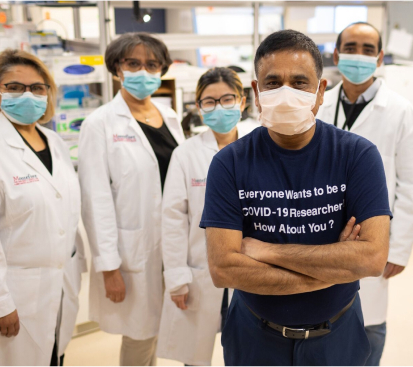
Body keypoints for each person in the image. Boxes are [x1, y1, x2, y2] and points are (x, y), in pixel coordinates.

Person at [200, 29, 392, 366]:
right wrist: (336, 267)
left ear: (320, 92)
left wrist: (267, 251)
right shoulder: (229, 163)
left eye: (300, 82)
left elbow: (371, 259)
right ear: (257, 92)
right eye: (273, 83)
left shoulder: (357, 155)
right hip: (255, 337)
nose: (286, 93)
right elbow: (224, 269)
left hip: (338, 335)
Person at [0, 49, 82, 366]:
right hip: (8, 294)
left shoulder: (55, 143)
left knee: (50, 357)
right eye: (15, 87)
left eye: (37, 87)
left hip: (54, 290)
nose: (28, 95)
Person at [316, 22, 413, 366]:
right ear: (336, 55)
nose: (358, 56)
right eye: (350, 48)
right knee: (322, 317)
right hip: (320, 232)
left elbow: (412, 182)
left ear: (379, 58)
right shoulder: (318, 105)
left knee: (369, 322)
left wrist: (400, 247)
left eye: (367, 50)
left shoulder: (401, 111)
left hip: (373, 235)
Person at [78, 32, 185, 366]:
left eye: (152, 64)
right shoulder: (100, 124)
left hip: (174, 241)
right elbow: (95, 199)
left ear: (162, 69)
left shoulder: (170, 117)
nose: (143, 71)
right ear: (117, 69)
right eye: (133, 63)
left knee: (170, 326)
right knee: (140, 335)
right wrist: (109, 267)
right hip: (133, 250)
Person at [157, 67, 258, 366]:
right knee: (196, 356)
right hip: (201, 270)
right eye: (209, 101)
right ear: (199, 109)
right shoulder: (185, 154)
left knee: (247, 351)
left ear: (242, 102)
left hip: (253, 269)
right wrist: (176, 277)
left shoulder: (261, 144)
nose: (219, 107)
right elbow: (173, 218)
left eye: (227, 99)